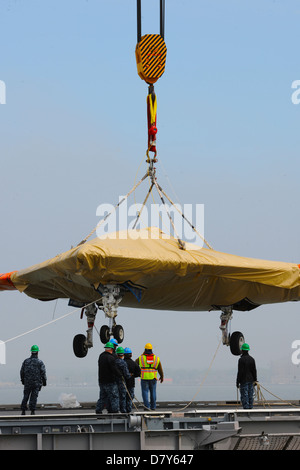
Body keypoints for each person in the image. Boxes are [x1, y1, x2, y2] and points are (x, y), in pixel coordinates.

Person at [95, 341, 123, 414]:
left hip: (101, 380)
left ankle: (98, 410)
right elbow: (114, 369)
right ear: (111, 349)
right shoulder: (111, 357)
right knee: (114, 396)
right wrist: (120, 375)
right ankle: (115, 411)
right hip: (110, 380)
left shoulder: (101, 356)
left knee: (103, 397)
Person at [20, 345, 47, 415]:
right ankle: (32, 411)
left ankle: (23, 410)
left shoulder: (26, 361)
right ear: (37, 352)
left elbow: (21, 372)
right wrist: (44, 382)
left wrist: (23, 381)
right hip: (36, 383)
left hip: (27, 383)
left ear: (31, 352)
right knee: (34, 397)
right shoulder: (40, 362)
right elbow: (43, 373)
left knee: (26, 396)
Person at [136, 343, 163, 411]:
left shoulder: (141, 358)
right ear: (151, 350)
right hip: (153, 378)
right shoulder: (156, 358)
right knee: (153, 392)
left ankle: (147, 407)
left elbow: (135, 364)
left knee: (145, 392)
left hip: (144, 378)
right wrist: (162, 376)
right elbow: (160, 368)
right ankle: (153, 407)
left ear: (145, 349)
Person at [236, 343, 257, 409]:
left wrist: (237, 381)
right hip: (251, 380)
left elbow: (240, 372)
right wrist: (255, 380)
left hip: (243, 380)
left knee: (244, 395)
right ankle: (250, 408)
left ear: (242, 350)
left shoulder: (241, 360)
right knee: (250, 395)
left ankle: (246, 409)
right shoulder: (252, 359)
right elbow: (254, 371)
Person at [115, 346, 132, 413]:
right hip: (122, 382)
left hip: (114, 382)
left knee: (116, 396)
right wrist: (130, 376)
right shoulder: (123, 363)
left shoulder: (114, 362)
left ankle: (116, 409)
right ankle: (123, 411)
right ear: (123, 354)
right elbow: (127, 374)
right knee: (123, 397)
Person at [124, 347, 141, 413]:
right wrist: (133, 375)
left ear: (124, 355)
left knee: (123, 398)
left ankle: (123, 411)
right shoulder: (134, 363)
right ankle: (128, 411)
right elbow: (139, 373)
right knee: (130, 398)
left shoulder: (122, 362)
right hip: (131, 383)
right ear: (131, 355)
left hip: (122, 384)